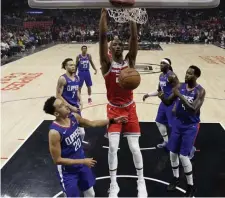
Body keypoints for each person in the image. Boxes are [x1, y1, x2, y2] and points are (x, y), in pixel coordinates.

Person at [99, 8, 148, 198]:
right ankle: (114, 185)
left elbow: (134, 39)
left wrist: (132, 18)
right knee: (112, 147)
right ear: (110, 49)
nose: (118, 45)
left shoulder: (130, 61)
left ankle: (141, 182)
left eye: (120, 43)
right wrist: (103, 16)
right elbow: (102, 38)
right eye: (115, 44)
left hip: (130, 109)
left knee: (135, 148)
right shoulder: (106, 63)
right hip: (113, 110)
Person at [43, 96, 127, 197]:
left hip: (82, 164)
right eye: (61, 106)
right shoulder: (54, 132)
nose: (66, 105)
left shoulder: (74, 117)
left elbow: (92, 123)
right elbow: (57, 160)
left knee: (91, 193)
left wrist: (112, 120)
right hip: (68, 172)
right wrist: (83, 161)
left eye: (63, 103)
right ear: (56, 113)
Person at [158, 65, 205, 197]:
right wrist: (161, 96)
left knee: (183, 156)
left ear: (196, 76)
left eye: (190, 74)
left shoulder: (200, 91)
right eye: (186, 72)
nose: (187, 75)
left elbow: (193, 109)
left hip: (190, 126)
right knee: (172, 153)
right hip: (178, 124)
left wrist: (181, 96)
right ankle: (176, 178)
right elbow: (168, 102)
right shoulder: (180, 87)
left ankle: (191, 186)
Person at [143, 58, 178, 148]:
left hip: (171, 103)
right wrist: (148, 95)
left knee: (173, 126)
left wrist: (175, 105)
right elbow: (159, 91)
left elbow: (177, 91)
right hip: (163, 103)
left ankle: (177, 144)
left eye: (163, 63)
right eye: (160, 63)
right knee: (159, 122)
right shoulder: (161, 76)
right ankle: (166, 142)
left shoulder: (172, 76)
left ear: (169, 65)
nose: (161, 65)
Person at [56, 58, 85, 141]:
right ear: (66, 67)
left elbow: (77, 91)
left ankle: (78, 148)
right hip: (66, 109)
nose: (73, 66)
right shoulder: (63, 79)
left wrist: (81, 101)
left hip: (75, 108)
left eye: (74, 65)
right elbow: (58, 95)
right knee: (68, 133)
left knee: (82, 133)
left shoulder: (77, 78)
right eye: (71, 65)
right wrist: (70, 107)